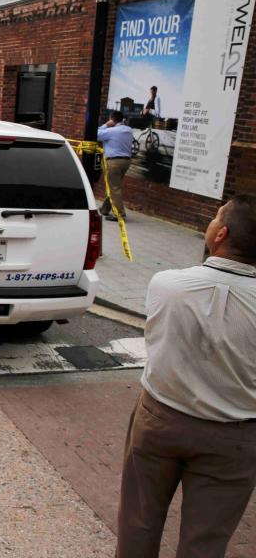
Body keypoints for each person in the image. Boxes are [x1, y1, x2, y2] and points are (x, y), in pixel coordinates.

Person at [115, 195, 256, 558]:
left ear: (220, 234)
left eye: (214, 217)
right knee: (206, 539)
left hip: (161, 417)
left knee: (138, 520)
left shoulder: (167, 284)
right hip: (235, 434)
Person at [97, 110, 133, 222]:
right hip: (126, 162)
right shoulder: (129, 130)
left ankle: (120, 214)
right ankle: (105, 209)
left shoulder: (112, 131)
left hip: (114, 162)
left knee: (114, 188)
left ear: (112, 119)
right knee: (113, 185)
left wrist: (106, 124)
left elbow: (95, 134)